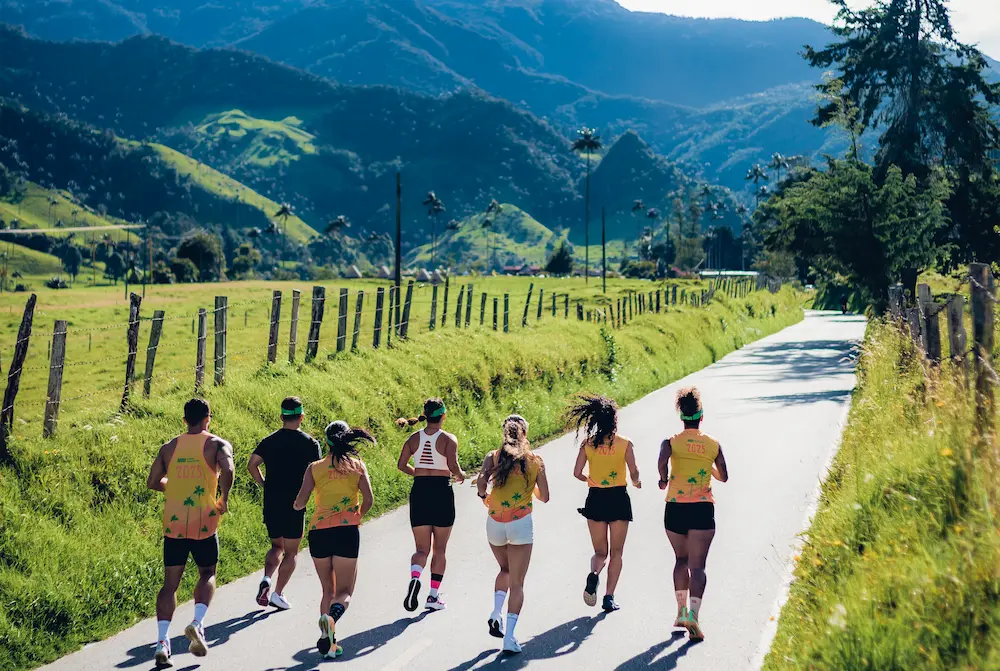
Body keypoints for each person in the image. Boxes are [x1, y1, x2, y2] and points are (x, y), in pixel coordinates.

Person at [146, 398, 235, 669]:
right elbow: (229, 469)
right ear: (208, 418)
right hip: (203, 522)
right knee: (207, 573)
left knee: (169, 585)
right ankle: (197, 623)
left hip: (174, 524)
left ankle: (162, 642)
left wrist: (175, 486)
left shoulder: (169, 447)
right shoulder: (217, 444)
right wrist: (224, 497)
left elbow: (153, 481)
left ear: (184, 420)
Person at [293, 421, 375, 659]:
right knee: (345, 591)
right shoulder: (356, 466)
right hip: (346, 531)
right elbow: (369, 499)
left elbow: (301, 501)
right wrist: (357, 516)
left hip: (319, 532)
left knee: (327, 590)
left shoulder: (314, 468)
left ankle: (329, 643)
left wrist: (296, 506)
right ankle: (331, 619)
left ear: (326, 441)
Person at [657, 387, 729, 641]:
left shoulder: (670, 441)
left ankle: (680, 612)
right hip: (701, 507)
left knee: (681, 560)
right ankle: (694, 617)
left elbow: (662, 459)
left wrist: (663, 478)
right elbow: (724, 476)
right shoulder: (713, 444)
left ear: (682, 417)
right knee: (698, 566)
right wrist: (708, 468)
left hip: (675, 507)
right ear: (701, 416)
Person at [476, 415, 550, 654]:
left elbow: (481, 483)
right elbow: (545, 496)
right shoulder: (535, 461)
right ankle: (509, 637)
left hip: (495, 523)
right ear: (525, 434)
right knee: (517, 583)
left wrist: (484, 496)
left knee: (504, 570)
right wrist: (531, 487)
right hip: (520, 523)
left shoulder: (493, 456)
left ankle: (495, 612)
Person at [567, 394, 641, 613]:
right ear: (614, 420)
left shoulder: (587, 444)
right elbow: (634, 471)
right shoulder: (625, 443)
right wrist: (636, 482)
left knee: (600, 553)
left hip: (596, 498)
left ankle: (594, 574)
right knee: (616, 553)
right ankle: (609, 597)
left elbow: (576, 472)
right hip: (618, 498)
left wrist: (590, 479)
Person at [248, 396, 322, 611]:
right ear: (302, 417)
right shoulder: (310, 443)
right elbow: (316, 473)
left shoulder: (269, 441)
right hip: (295, 503)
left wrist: (264, 484)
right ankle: (278, 594)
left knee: (276, 546)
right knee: (291, 552)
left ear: (281, 417)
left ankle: (267, 579)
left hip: (272, 501)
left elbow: (252, 464)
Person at [396, 398, 466, 612]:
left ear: (425, 415)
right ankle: (433, 596)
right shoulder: (448, 439)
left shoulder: (413, 438)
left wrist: (418, 473)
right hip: (441, 491)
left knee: (421, 549)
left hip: (420, 491)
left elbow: (401, 465)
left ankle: (415, 577)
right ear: (443, 415)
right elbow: (453, 465)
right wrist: (461, 475)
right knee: (440, 549)